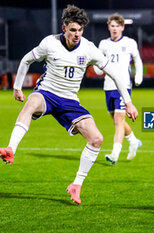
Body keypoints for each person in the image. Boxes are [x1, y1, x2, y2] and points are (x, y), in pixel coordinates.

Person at [0, 5, 138, 205]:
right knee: (31, 102)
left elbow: (115, 73)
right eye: (73, 30)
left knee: (97, 139)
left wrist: (129, 102)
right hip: (47, 93)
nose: (77, 34)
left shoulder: (89, 48)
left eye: (80, 30)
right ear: (64, 28)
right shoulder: (50, 43)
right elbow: (26, 60)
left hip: (70, 101)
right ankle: (11, 149)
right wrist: (17, 87)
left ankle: (77, 184)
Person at [93, 13, 143, 165]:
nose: (115, 29)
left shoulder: (129, 43)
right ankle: (133, 141)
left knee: (118, 119)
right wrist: (97, 69)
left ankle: (114, 154)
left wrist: (138, 76)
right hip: (108, 86)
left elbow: (137, 60)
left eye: (117, 26)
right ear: (109, 27)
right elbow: (97, 61)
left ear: (122, 27)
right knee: (115, 119)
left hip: (124, 87)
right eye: (112, 26)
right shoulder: (103, 44)